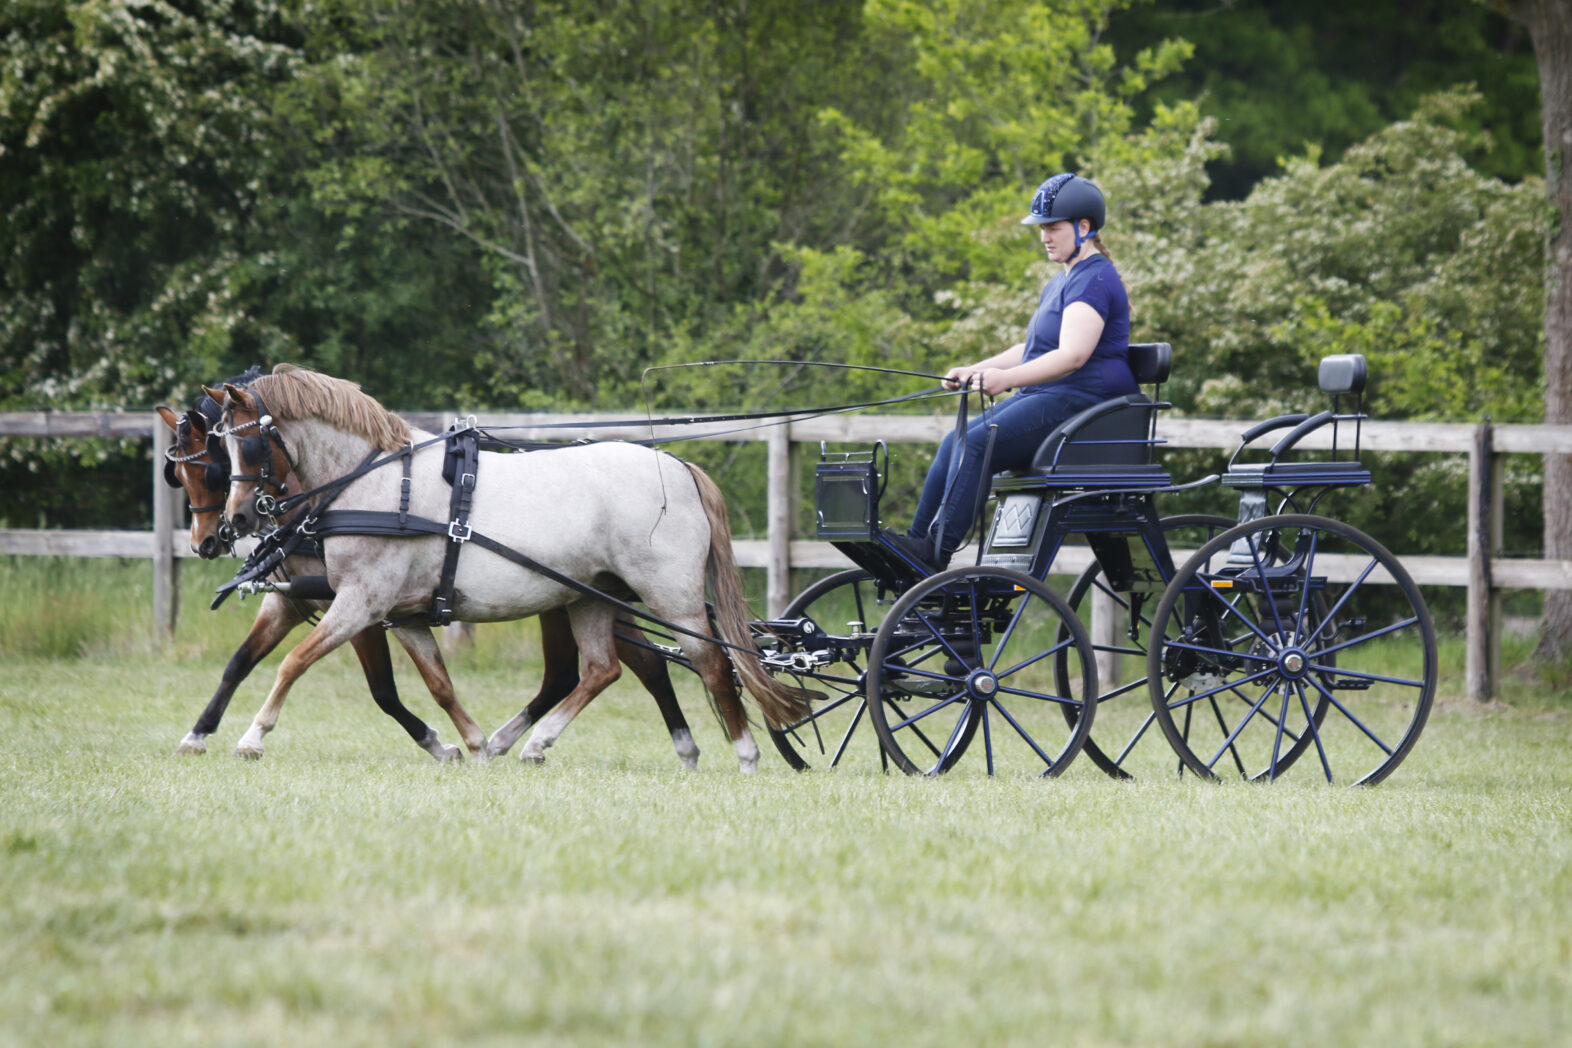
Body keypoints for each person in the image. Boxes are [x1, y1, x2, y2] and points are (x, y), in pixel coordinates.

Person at [885, 172, 1135, 570]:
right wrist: (975, 369)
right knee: (956, 440)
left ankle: (936, 555)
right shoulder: (1062, 281)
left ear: (1083, 227)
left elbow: (1071, 356)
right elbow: (1031, 350)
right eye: (1042, 229)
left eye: (1052, 228)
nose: (1044, 237)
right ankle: (917, 545)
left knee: (977, 443)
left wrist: (1005, 381)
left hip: (1082, 403)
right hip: (1052, 395)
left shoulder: (1096, 278)